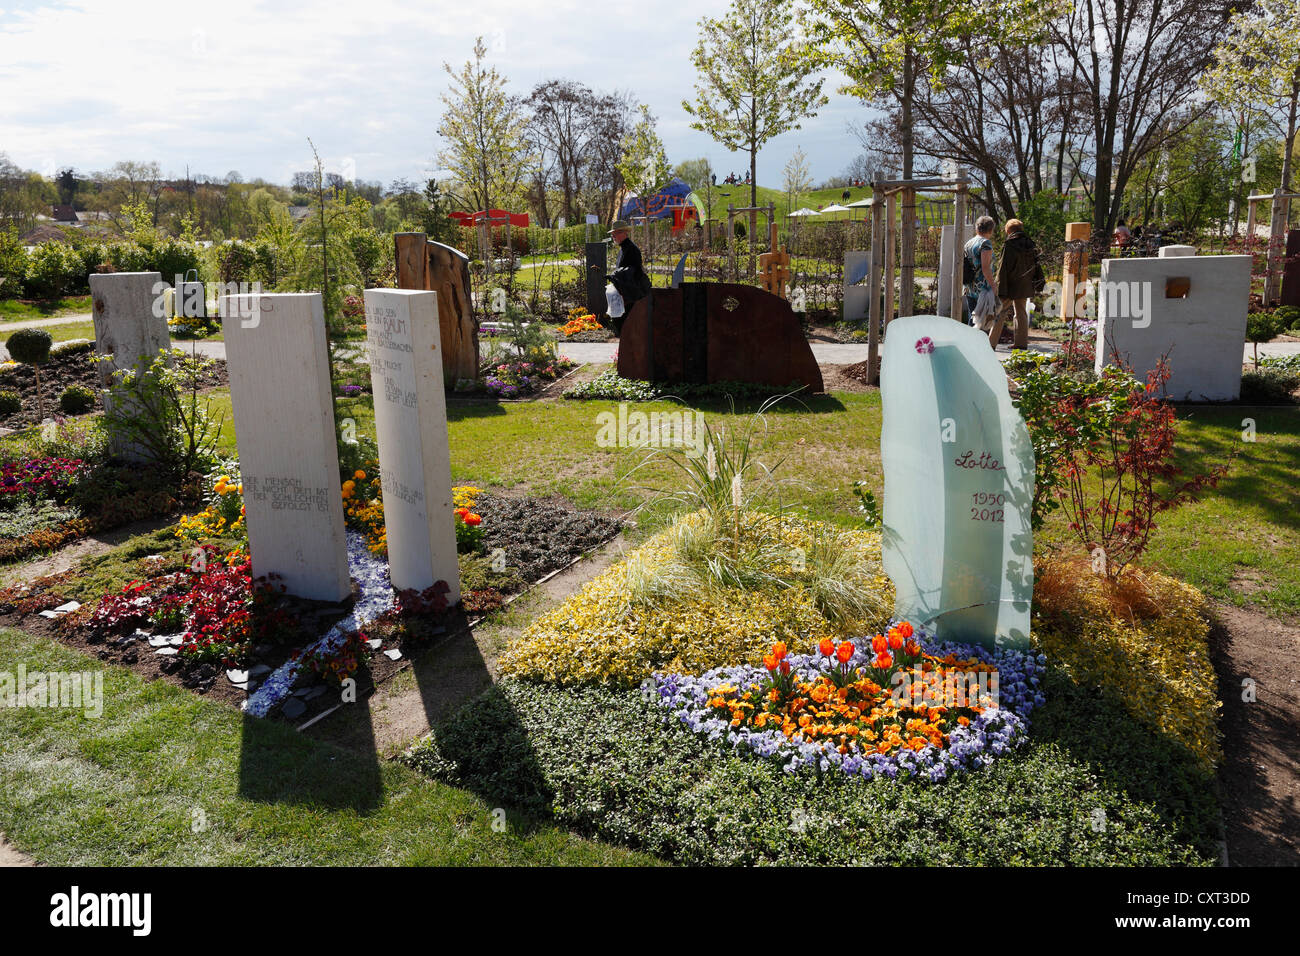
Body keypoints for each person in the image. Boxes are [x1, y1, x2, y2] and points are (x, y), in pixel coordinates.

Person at [986, 218, 1042, 350]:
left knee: (1000, 313)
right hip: (1025, 285)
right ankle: (1021, 343)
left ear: (1009, 230)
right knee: (1021, 313)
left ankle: (990, 344)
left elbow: (1003, 267)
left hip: (1009, 285)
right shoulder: (1031, 244)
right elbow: (1037, 266)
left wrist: (999, 286)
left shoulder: (1009, 245)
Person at [606, 220, 651, 331]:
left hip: (632, 293)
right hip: (626, 291)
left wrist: (616, 276)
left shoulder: (631, 249)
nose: (613, 236)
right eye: (612, 234)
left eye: (615, 234)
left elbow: (632, 272)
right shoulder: (624, 248)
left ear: (623, 233)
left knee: (627, 324)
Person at [964, 215, 997, 328]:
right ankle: (976, 345)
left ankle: (967, 344)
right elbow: (986, 267)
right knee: (981, 322)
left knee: (972, 317)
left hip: (969, 285)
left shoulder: (969, 243)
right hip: (982, 287)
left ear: (977, 228)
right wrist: (993, 285)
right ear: (991, 229)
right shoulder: (985, 244)